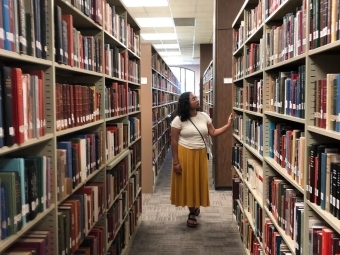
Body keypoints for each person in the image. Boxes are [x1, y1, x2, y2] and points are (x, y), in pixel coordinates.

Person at [170, 91, 233, 228]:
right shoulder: (178, 120)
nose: (197, 100)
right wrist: (176, 161)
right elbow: (174, 142)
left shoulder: (204, 116)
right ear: (186, 104)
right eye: (193, 99)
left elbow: (213, 133)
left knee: (198, 181)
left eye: (196, 98)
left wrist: (228, 125)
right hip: (185, 153)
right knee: (188, 182)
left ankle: (195, 206)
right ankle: (192, 212)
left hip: (200, 154)